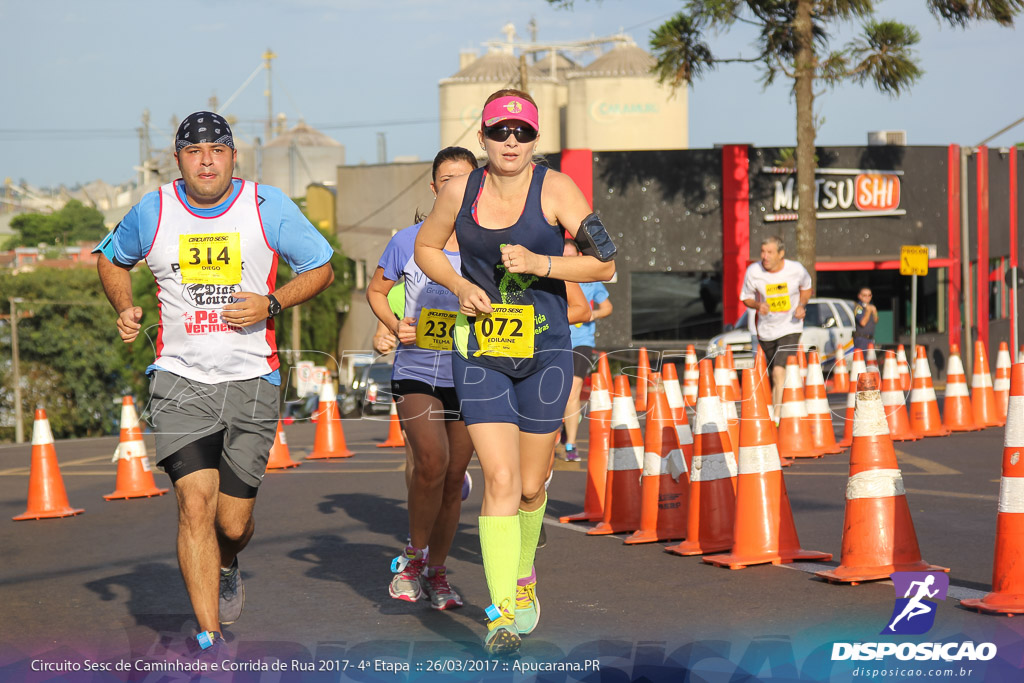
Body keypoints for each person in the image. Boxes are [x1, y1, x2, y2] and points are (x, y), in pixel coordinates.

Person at [94, 112, 335, 655]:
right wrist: (126, 306)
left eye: (217, 149)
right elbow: (111, 260)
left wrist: (271, 302)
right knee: (194, 505)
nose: (207, 159)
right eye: (194, 150)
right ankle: (210, 633)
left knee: (232, 522)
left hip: (253, 379)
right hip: (180, 381)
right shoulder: (153, 210)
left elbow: (321, 267)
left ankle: (229, 562)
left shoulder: (266, 205)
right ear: (177, 159)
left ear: (233, 156)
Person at [415, 89, 616, 653]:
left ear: (534, 140)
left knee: (530, 487)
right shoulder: (459, 189)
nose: (510, 142)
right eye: (500, 131)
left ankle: (524, 574)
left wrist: (541, 263)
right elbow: (429, 249)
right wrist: (459, 287)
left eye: (521, 133)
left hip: (546, 353)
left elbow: (606, 261)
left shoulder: (556, 189)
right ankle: (502, 611)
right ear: (481, 136)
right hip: (480, 349)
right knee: (499, 480)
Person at [366, 147, 478, 611]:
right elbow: (377, 290)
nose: (455, 188)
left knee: (454, 477)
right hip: (417, 370)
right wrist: (394, 327)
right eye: (447, 180)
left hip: (474, 373)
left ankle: (437, 571)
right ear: (435, 189)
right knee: (430, 462)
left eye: (465, 181)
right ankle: (413, 558)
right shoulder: (407, 241)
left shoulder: (488, 246)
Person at [741, 235, 811, 412]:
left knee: (779, 370)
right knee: (775, 372)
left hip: (791, 326)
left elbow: (807, 287)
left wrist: (801, 305)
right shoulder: (754, 271)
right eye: (763, 252)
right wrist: (758, 305)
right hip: (766, 331)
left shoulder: (796, 269)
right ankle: (790, 401)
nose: (765, 256)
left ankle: (778, 415)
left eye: (770, 252)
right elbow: (746, 297)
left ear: (781, 254)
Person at [558, 239, 612, 462]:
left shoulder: (590, 281)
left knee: (573, 391)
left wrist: (589, 314)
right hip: (558, 341)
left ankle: (570, 444)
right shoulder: (553, 279)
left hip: (582, 342)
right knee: (556, 394)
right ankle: (556, 431)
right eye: (564, 257)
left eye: (571, 256)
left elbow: (607, 308)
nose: (568, 261)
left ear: (579, 257)